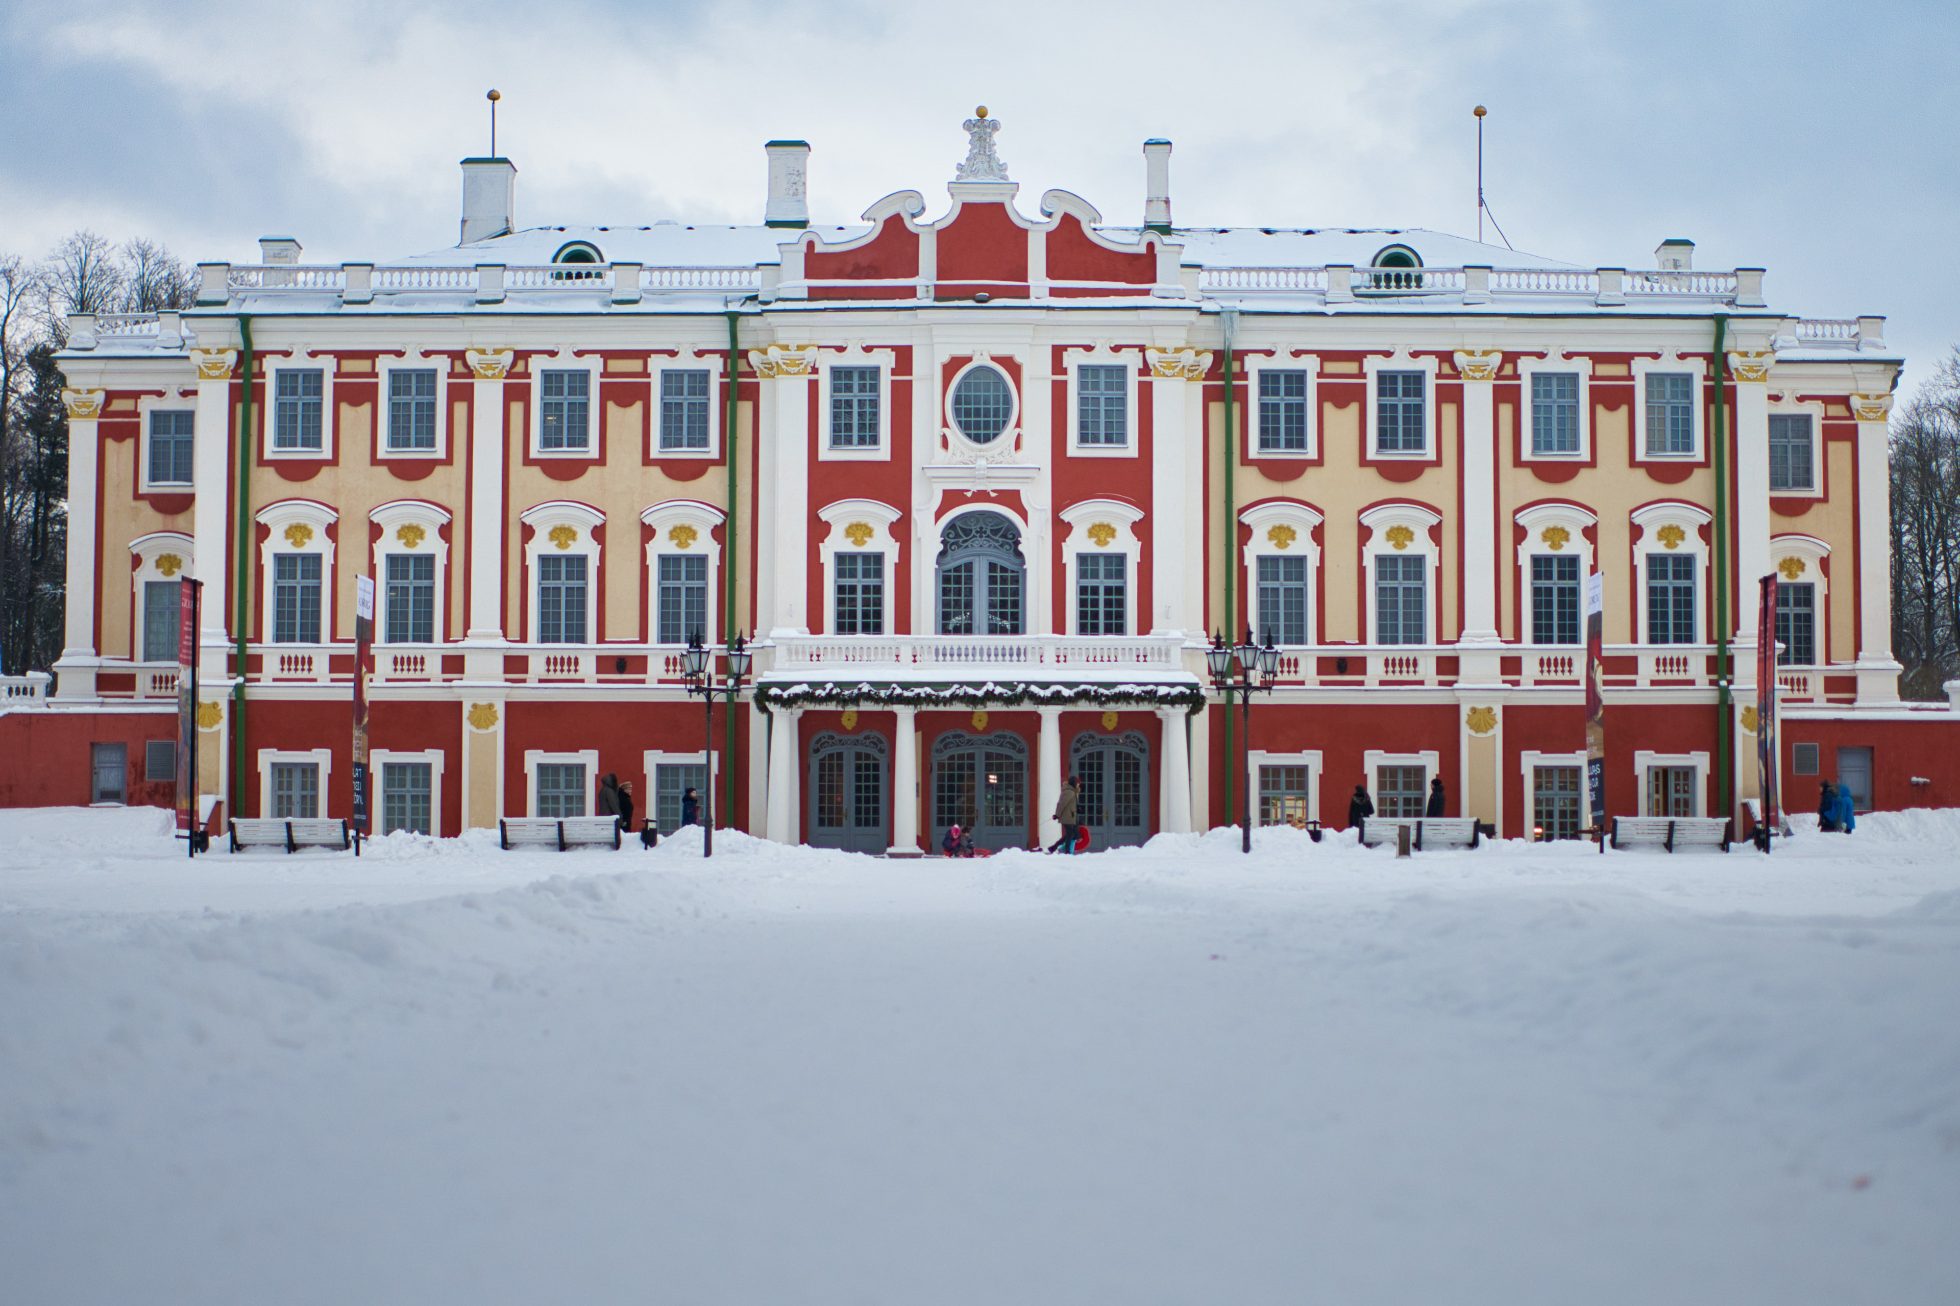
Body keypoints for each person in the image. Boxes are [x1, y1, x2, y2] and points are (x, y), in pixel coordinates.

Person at [1048, 775, 1081, 854]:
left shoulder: (1073, 791)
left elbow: (1071, 804)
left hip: (1070, 816)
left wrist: (1077, 808)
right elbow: (1062, 804)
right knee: (1070, 834)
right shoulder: (1069, 792)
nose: (1078, 785)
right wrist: (1057, 815)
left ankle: (1054, 848)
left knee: (1071, 834)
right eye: (1077, 783)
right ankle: (1067, 851)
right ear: (1073, 783)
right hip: (1067, 817)